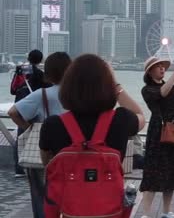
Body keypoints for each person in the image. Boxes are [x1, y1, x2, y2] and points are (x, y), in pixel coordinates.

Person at [38, 54, 145, 212]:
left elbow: (47, 163)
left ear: (68, 87)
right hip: (109, 211)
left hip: (68, 210)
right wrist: (114, 83)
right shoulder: (120, 120)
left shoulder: (53, 125)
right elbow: (140, 115)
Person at [7, 52, 72, 218]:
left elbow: (13, 112)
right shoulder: (78, 96)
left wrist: (29, 128)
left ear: (48, 74)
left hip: (42, 151)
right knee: (70, 192)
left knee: (41, 195)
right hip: (71, 151)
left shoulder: (42, 95)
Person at [140, 56, 174, 218]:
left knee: (172, 171)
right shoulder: (147, 89)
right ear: (150, 71)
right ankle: (146, 213)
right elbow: (162, 93)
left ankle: (166, 211)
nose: (162, 68)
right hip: (158, 131)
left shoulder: (170, 85)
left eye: (163, 66)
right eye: (158, 67)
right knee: (153, 172)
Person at [10, 49, 47, 178]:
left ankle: (19, 169)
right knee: (37, 136)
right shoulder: (39, 74)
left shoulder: (20, 72)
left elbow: (12, 91)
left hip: (20, 108)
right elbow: (46, 89)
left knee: (21, 137)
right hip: (34, 109)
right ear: (41, 59)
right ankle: (35, 164)